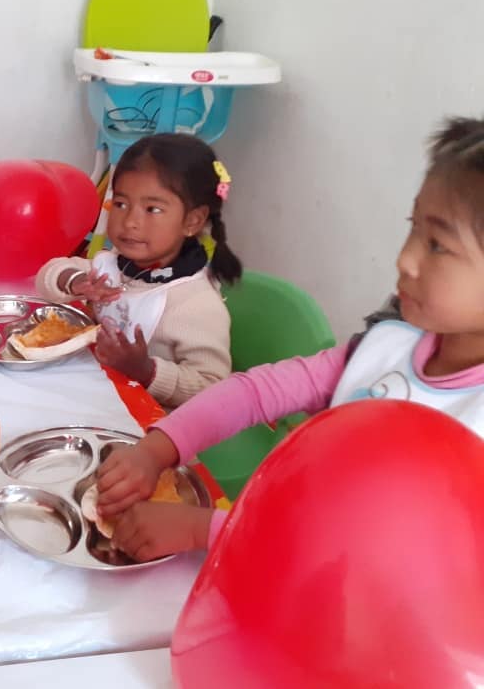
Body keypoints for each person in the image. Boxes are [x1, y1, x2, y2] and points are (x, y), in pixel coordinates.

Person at [97, 115, 484, 562]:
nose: (405, 259)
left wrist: (205, 529)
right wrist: (157, 449)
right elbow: (252, 392)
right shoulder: (384, 347)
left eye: (437, 245)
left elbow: (381, 553)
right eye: (413, 227)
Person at [35, 133, 242, 408]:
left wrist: (146, 371)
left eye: (152, 209)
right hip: (99, 394)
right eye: (121, 204)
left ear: (192, 221)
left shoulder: (196, 304)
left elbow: (212, 387)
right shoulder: (115, 264)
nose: (130, 221)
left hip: (152, 422)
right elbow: (48, 273)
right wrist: (76, 281)